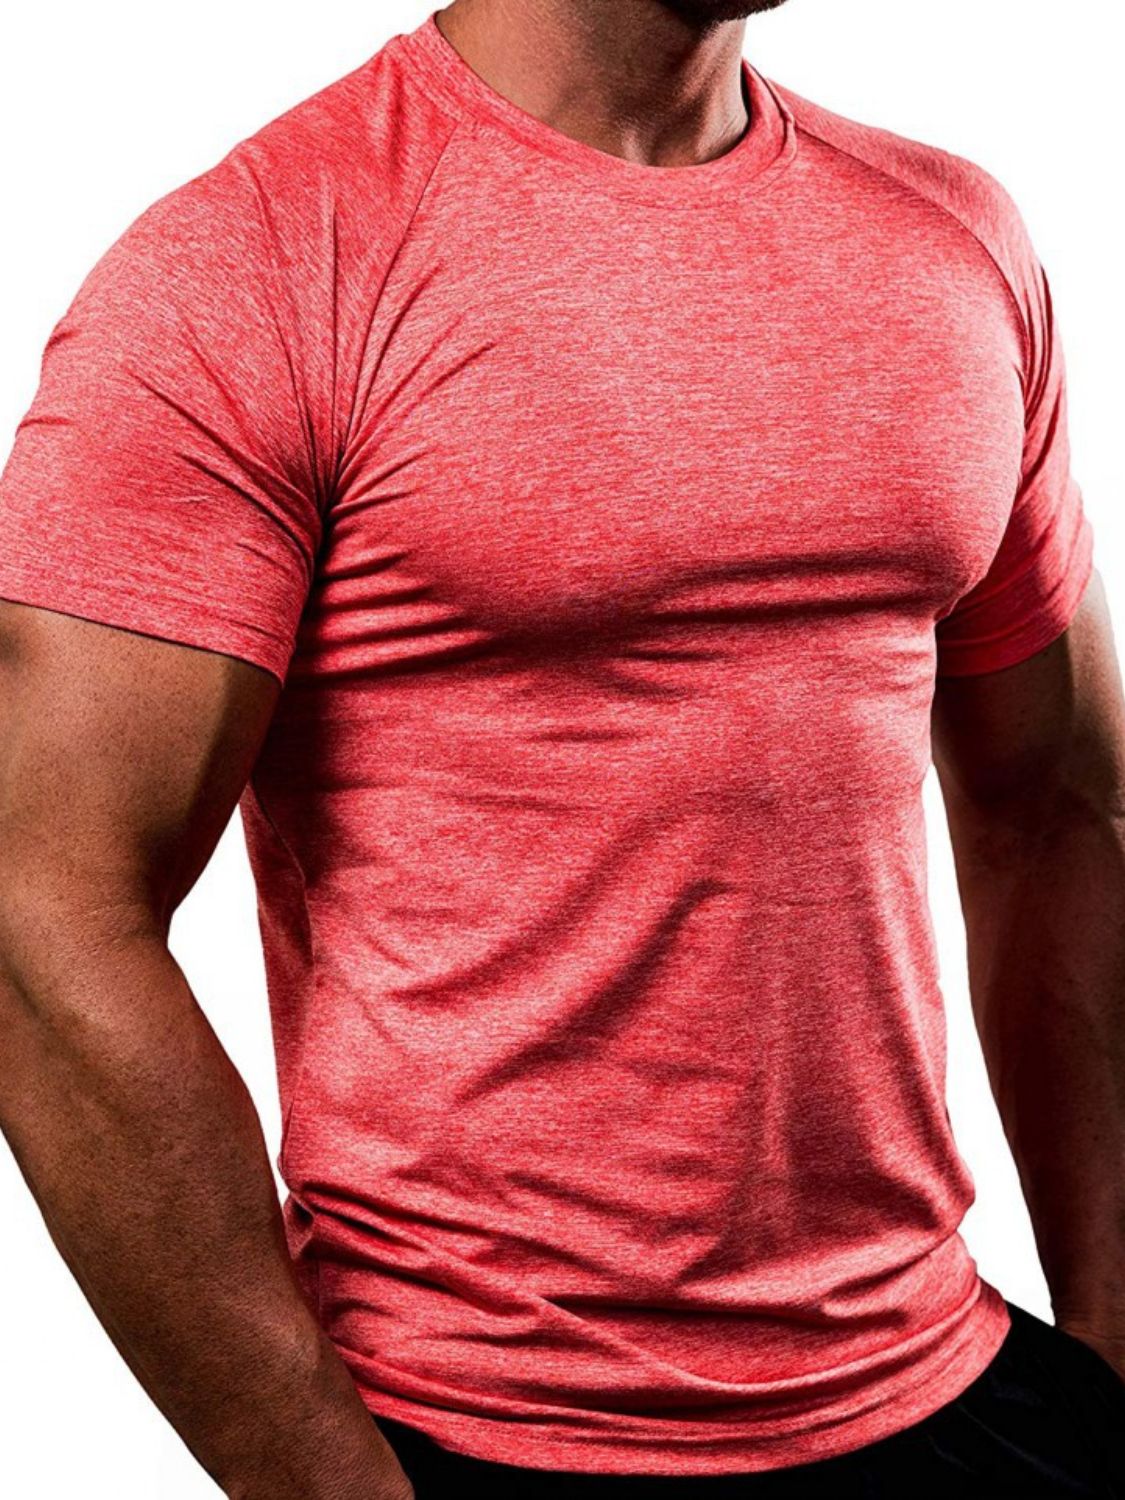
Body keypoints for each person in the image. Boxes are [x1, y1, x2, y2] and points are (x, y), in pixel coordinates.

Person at [0, 0, 1123, 1495]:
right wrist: (324, 1482)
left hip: (952, 1387)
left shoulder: (953, 237)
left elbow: (1058, 803)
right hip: (474, 1426)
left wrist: (1113, 1350)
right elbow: (42, 914)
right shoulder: (255, 262)